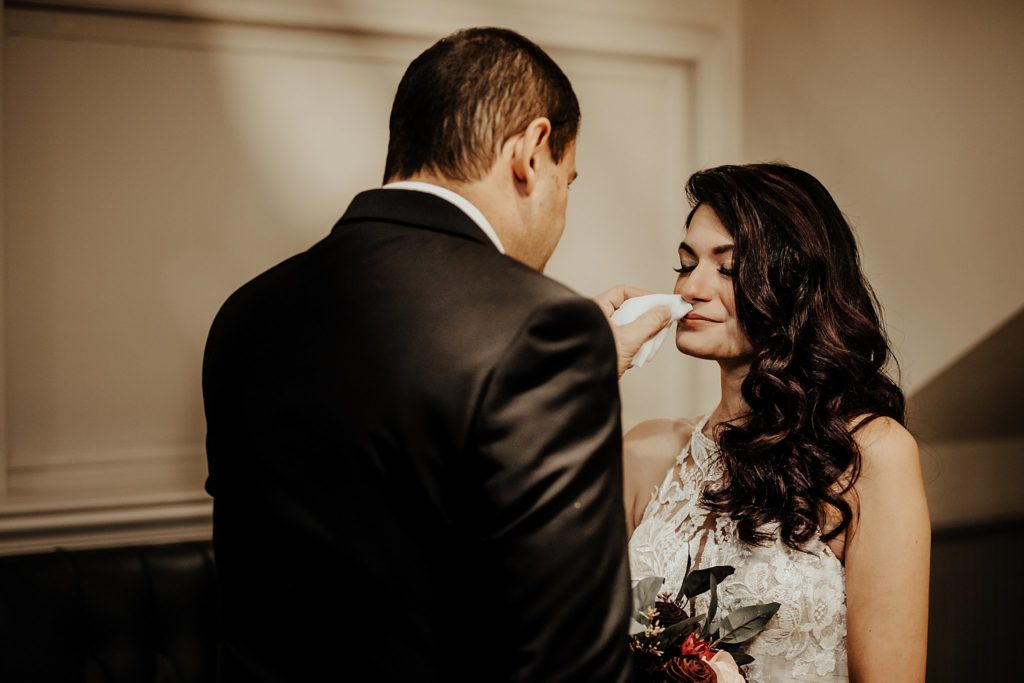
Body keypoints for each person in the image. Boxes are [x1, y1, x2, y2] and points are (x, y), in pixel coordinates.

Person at [203, 27, 669, 682]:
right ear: (530, 153)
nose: (564, 205)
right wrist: (569, 350)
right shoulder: (543, 329)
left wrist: (583, 358)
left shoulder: (248, 312)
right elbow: (570, 663)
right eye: (569, 179)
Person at [624, 164, 930, 682]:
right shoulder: (646, 451)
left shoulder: (868, 454)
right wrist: (586, 373)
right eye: (685, 262)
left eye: (727, 268)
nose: (692, 287)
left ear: (794, 285)